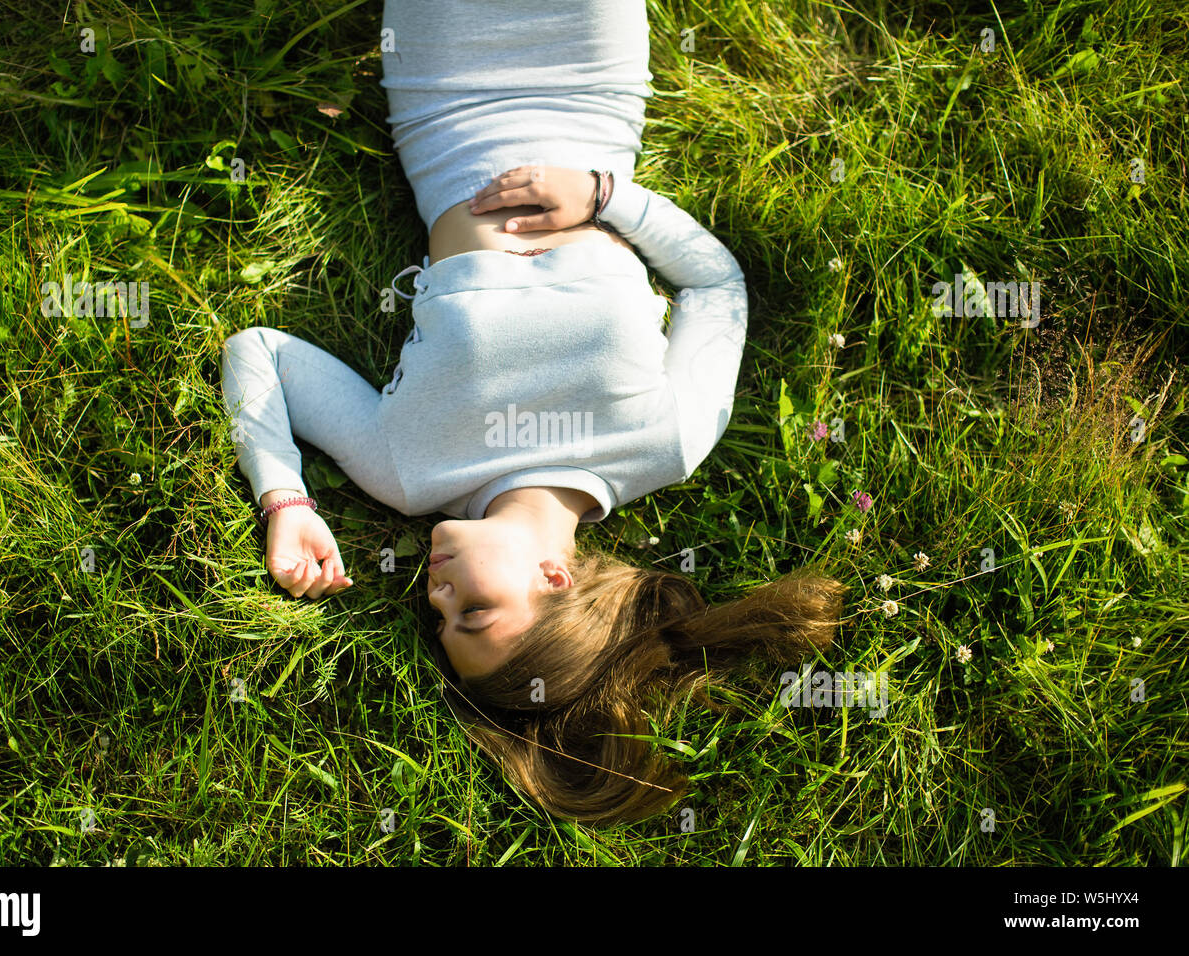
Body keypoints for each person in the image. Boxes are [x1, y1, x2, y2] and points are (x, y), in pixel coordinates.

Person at [221, 0, 845, 824]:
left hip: (444, 93)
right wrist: (604, 195)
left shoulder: (407, 471)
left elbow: (257, 352)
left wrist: (286, 501)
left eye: (440, 620)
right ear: (556, 580)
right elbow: (716, 288)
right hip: (591, 80)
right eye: (472, 611)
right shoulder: (668, 443)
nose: (436, 596)